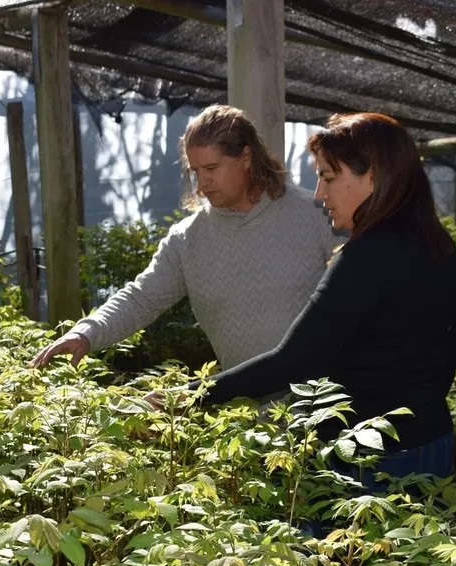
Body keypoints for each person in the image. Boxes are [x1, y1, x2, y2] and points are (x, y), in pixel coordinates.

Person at [164, 112, 456, 484]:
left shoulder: (366, 258)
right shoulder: (439, 246)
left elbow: (291, 361)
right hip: (431, 442)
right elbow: (443, 361)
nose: (320, 195)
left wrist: (187, 396)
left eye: (328, 177)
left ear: (372, 175)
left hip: (370, 458)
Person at [31, 104, 346, 371]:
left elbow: (360, 301)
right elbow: (141, 297)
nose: (203, 181)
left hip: (324, 406)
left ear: (246, 157)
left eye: (212, 167)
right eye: (196, 171)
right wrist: (86, 333)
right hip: (243, 412)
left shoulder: (318, 215)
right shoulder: (187, 240)